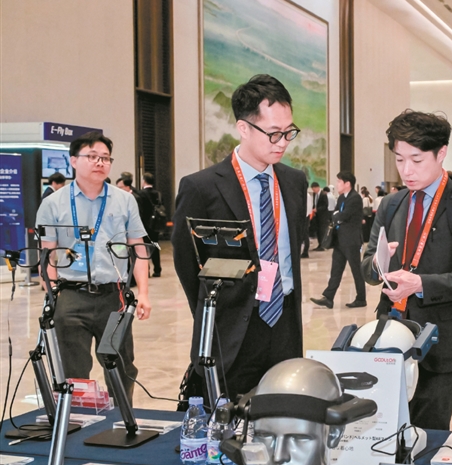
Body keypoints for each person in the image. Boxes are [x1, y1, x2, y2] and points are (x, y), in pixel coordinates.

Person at [172, 74, 308, 400]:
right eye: (273, 133)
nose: (282, 142)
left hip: (284, 321)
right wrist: (214, 311)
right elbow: (186, 262)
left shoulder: (294, 182)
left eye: (288, 132)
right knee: (227, 416)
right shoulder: (202, 187)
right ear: (244, 128)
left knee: (282, 410)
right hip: (232, 327)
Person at [362, 110, 452, 430]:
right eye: (399, 159)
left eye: (416, 160)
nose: (406, 170)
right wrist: (378, 265)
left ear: (441, 153)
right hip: (391, 335)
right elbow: (367, 265)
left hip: (441, 341)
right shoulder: (391, 205)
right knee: (388, 432)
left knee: (429, 432)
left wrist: (420, 284)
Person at [35, 131, 151, 403]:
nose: (100, 162)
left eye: (105, 158)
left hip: (113, 295)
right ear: (74, 161)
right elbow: (47, 255)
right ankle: (76, 418)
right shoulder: (52, 204)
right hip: (71, 296)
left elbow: (139, 247)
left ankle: (122, 418)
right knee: (72, 370)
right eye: (92, 156)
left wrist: (144, 293)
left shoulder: (125, 200)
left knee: (120, 365)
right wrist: (53, 295)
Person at [310, 171, 366, 309]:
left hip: (351, 241)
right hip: (339, 240)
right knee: (336, 270)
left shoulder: (355, 198)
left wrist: (337, 216)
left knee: (356, 270)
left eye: (339, 181)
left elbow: (343, 215)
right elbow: (335, 215)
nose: (337, 184)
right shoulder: (341, 198)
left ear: (347, 184)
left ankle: (361, 298)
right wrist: (337, 215)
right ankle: (328, 297)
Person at [141, 172, 163, 277]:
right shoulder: (158, 193)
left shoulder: (141, 194)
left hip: (145, 224)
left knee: (144, 248)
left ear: (144, 181)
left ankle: (147, 270)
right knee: (155, 246)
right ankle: (157, 269)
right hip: (155, 224)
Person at [310, 182, 330, 252]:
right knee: (318, 231)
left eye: (314, 189)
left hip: (323, 216)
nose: (314, 191)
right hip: (316, 216)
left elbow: (325, 205)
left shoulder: (323, 194)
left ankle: (322, 245)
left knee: (322, 231)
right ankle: (319, 244)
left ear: (318, 187)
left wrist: (317, 209)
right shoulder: (314, 194)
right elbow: (314, 204)